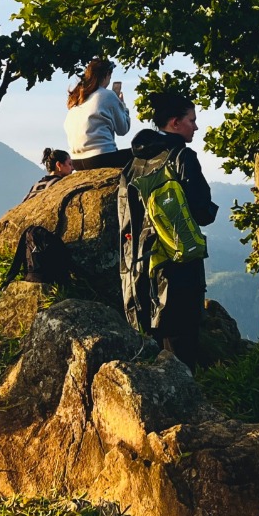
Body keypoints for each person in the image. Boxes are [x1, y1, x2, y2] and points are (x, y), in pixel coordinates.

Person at [119, 89, 218, 370]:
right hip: (178, 263)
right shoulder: (181, 157)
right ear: (175, 122)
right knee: (182, 345)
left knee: (152, 341)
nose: (196, 126)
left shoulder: (134, 162)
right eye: (191, 120)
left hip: (141, 264)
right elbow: (202, 211)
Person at [64, 58, 131, 170]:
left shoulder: (77, 98)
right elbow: (123, 129)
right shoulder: (108, 95)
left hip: (76, 161)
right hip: (100, 157)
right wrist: (123, 106)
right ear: (107, 75)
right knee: (142, 153)